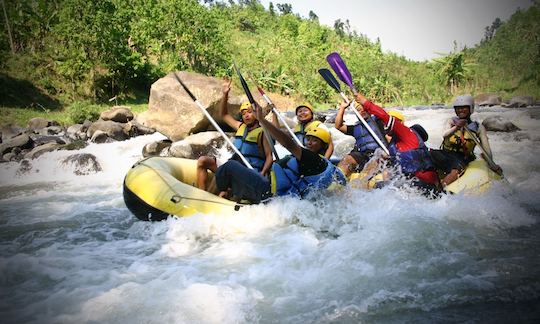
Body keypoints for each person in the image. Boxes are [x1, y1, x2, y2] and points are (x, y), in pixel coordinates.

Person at [214, 102, 347, 203]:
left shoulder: (311, 158)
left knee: (229, 166)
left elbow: (287, 143)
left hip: (268, 192)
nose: (309, 143)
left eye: (314, 141)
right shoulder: (323, 165)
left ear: (323, 147)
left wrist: (262, 120)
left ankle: (218, 196)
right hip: (276, 191)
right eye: (309, 139)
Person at [354, 92, 440, 195]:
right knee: (379, 185)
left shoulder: (407, 133)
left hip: (425, 185)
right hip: (410, 183)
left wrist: (365, 102)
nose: (385, 124)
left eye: (393, 121)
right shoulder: (394, 144)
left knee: (385, 189)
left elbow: (384, 116)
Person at [196, 79, 273, 191]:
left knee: (227, 167)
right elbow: (223, 114)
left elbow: (269, 157)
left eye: (249, 112)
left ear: (256, 114)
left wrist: (262, 173)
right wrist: (225, 94)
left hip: (250, 171)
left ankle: (210, 195)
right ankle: (201, 193)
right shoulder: (240, 126)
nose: (246, 115)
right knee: (203, 161)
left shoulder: (263, 132)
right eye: (243, 113)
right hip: (234, 166)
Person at [430, 95, 502, 187]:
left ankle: (440, 190)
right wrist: (457, 127)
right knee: (427, 155)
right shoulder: (451, 121)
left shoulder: (478, 127)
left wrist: (493, 165)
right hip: (446, 153)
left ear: (470, 109)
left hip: (462, 157)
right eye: (458, 108)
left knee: (456, 169)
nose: (461, 110)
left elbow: (486, 149)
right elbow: (444, 135)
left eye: (464, 108)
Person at [334, 99, 387, 178]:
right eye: (358, 110)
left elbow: (383, 114)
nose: (362, 111)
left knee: (373, 161)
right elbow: (338, 126)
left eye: (364, 109)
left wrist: (368, 104)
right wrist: (342, 108)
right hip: (363, 156)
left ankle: (362, 183)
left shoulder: (378, 122)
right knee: (347, 159)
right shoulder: (355, 128)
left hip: (379, 155)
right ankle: (337, 182)